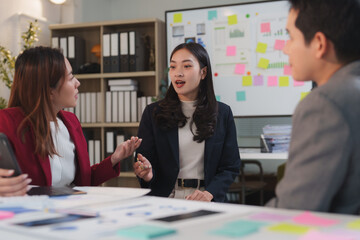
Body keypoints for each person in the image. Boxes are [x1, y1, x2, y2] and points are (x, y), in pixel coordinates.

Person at [0, 46, 141, 197]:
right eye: (71, 77)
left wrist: (114, 159)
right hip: (31, 214)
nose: (77, 83)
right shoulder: (6, 122)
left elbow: (82, 183)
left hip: (71, 210)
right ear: (49, 90)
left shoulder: (70, 121)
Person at [267, 0, 360, 214]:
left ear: (319, 43)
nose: (285, 48)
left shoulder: (326, 103)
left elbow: (294, 208)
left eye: (291, 37)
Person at [133, 42, 240, 202]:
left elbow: (230, 167)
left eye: (187, 66)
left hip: (206, 198)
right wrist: (147, 174)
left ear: (203, 72)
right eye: (173, 67)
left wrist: (209, 194)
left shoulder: (222, 113)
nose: (178, 73)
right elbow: (144, 162)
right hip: (167, 198)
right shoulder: (153, 113)